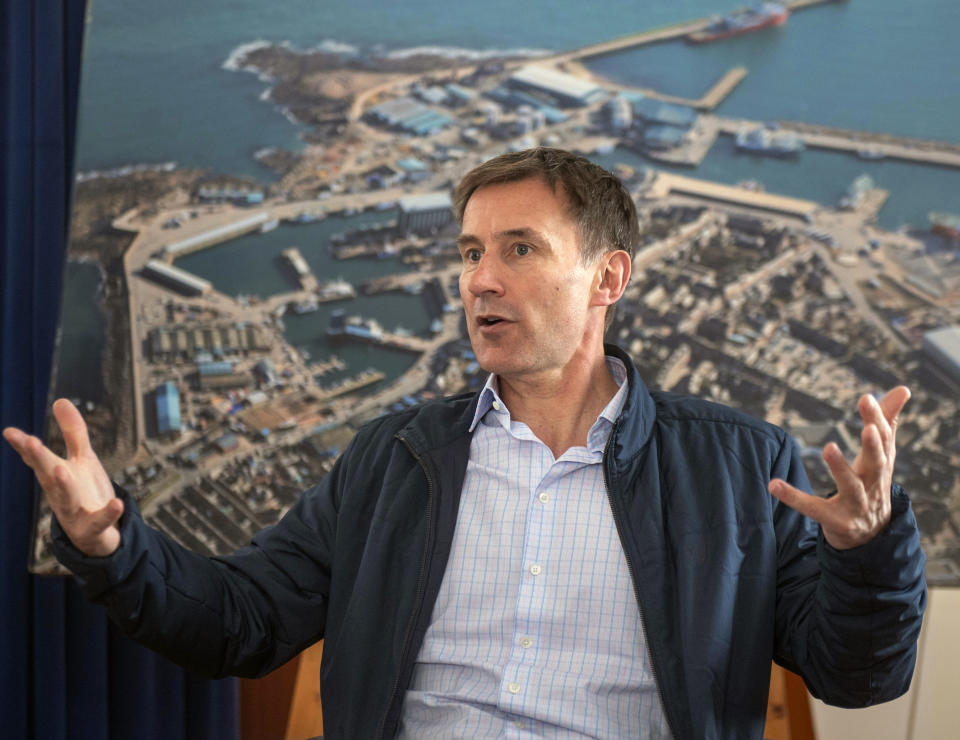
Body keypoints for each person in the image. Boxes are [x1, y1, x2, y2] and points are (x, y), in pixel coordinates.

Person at [4, 148, 926, 739]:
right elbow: (239, 621)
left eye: (519, 249)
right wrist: (109, 548)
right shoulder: (392, 457)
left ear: (609, 277)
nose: (480, 278)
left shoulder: (738, 465)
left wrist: (869, 551)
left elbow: (857, 678)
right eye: (469, 251)